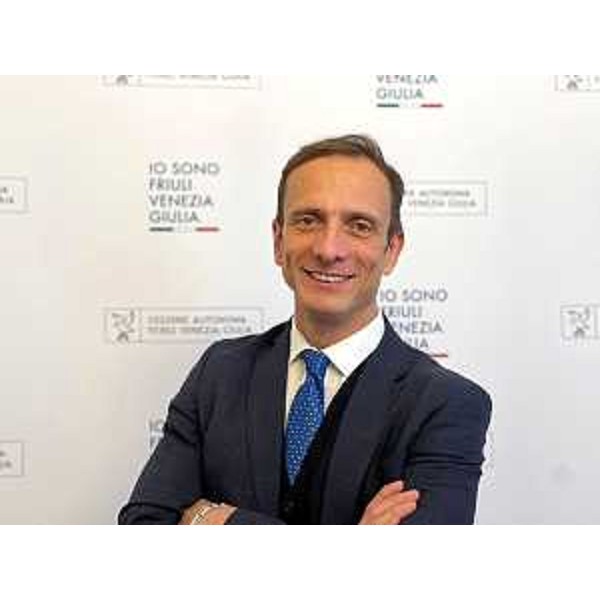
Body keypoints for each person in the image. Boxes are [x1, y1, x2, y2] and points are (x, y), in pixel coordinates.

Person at [119, 134, 491, 525]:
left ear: (392, 250)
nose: (329, 249)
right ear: (279, 241)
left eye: (359, 226)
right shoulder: (220, 373)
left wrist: (215, 520)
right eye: (308, 220)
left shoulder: (447, 404)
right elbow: (144, 524)